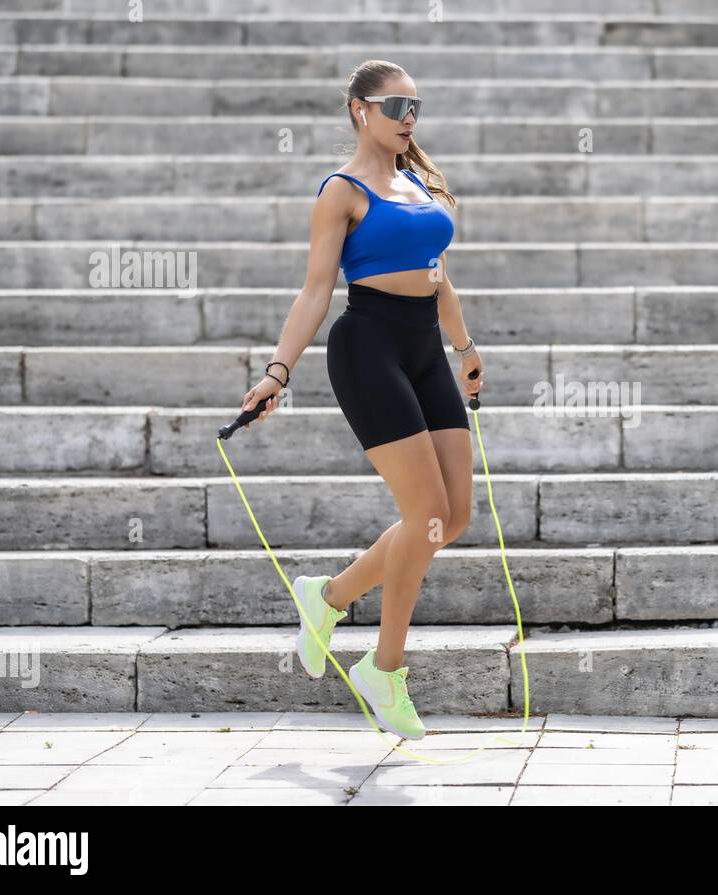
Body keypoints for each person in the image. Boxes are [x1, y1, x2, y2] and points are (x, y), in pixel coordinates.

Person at [238, 61, 482, 740]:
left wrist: (465, 351)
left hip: (426, 350)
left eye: (416, 106)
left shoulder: (420, 185)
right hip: (367, 347)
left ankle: (329, 595)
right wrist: (277, 372)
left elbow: (441, 281)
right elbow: (316, 289)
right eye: (395, 105)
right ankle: (386, 668)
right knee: (425, 512)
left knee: (452, 516)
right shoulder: (340, 191)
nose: (409, 118)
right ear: (359, 110)